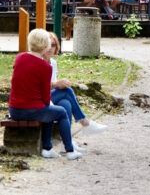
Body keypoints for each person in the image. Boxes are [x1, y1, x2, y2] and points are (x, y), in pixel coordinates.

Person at [7, 29, 82, 160]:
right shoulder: (45, 66)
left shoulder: (19, 57)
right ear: (46, 45)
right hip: (31, 110)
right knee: (62, 112)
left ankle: (47, 148)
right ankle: (70, 150)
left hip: (14, 110)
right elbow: (46, 99)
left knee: (50, 111)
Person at [44, 33, 107, 151]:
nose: (50, 48)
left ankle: (68, 142)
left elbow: (52, 84)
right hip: (41, 98)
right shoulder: (38, 61)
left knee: (66, 104)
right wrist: (56, 84)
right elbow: (40, 86)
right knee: (67, 91)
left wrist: (59, 84)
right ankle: (84, 122)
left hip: (51, 96)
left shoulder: (52, 63)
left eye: (53, 45)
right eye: (47, 44)